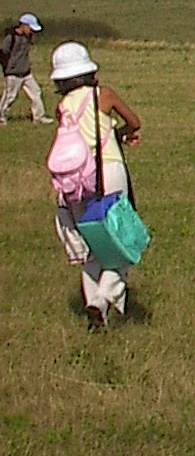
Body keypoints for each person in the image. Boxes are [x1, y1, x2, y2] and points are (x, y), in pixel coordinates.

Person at [48, 42, 141, 327]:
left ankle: (95, 306)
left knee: (92, 246)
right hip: (108, 171)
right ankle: (102, 301)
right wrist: (122, 134)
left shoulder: (62, 106)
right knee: (122, 242)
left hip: (75, 178)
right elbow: (134, 122)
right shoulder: (104, 95)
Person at [1, 13, 49, 125]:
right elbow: (3, 53)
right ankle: (1, 117)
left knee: (36, 92)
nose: (32, 31)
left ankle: (39, 117)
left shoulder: (28, 37)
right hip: (13, 73)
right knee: (10, 97)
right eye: (30, 28)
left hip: (26, 72)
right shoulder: (10, 38)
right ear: (24, 25)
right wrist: (8, 69)